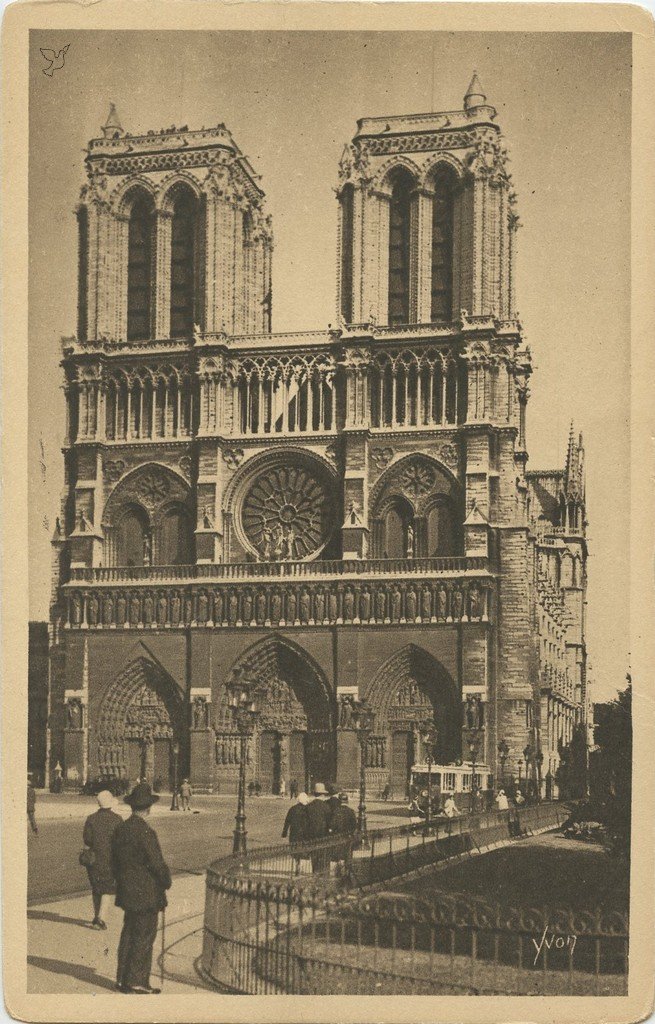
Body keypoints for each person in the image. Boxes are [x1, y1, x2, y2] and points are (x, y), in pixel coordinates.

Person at [111, 781, 172, 994]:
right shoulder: (146, 832)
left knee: (128, 933)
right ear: (148, 808)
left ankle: (122, 979)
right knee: (144, 936)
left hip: (128, 891)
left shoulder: (121, 829)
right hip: (146, 892)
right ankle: (137, 980)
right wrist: (166, 880)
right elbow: (157, 864)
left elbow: (114, 862)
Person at [82, 790, 123, 929]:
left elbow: (87, 840)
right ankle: (101, 919)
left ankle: (96, 916)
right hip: (110, 859)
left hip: (94, 859)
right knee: (107, 889)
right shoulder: (117, 819)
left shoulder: (91, 818)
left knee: (96, 887)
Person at [329, 793, 358, 878]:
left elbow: (332, 824)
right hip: (348, 836)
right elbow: (354, 825)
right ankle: (347, 872)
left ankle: (339, 872)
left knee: (338, 855)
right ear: (347, 801)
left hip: (338, 836)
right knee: (347, 854)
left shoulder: (336, 811)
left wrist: (331, 830)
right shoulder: (351, 811)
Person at [305, 782, 331, 873]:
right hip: (323, 833)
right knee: (322, 852)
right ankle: (321, 870)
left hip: (311, 834)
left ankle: (315, 870)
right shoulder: (326, 806)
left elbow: (306, 822)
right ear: (323, 794)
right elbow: (329, 821)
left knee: (314, 853)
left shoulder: (308, 806)